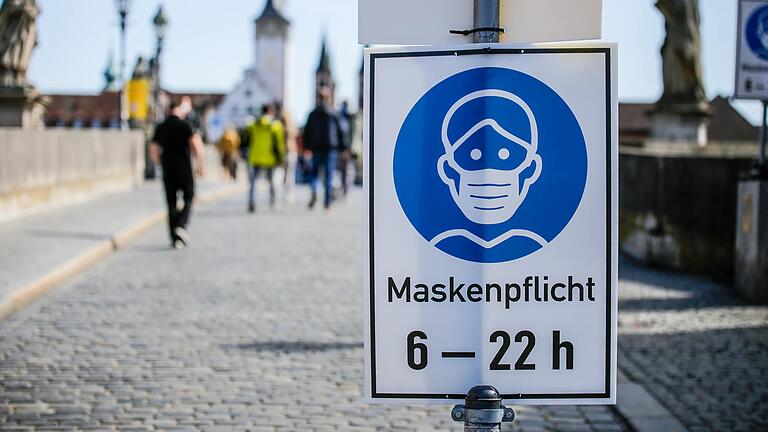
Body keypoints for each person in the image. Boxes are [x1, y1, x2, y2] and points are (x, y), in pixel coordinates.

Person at [150, 101, 205, 249]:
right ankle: (181, 225)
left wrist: (160, 163)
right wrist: (200, 165)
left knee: (171, 202)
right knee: (189, 196)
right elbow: (196, 145)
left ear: (168, 110)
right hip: (184, 168)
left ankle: (174, 238)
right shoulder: (186, 125)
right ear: (179, 111)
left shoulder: (161, 127)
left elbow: (154, 149)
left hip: (168, 169)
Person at [302, 87, 348, 210]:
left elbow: (306, 131)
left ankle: (315, 189)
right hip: (330, 148)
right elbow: (341, 131)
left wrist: (306, 147)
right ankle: (327, 204)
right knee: (328, 175)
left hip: (316, 147)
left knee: (314, 173)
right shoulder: (334, 113)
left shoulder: (312, 113)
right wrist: (344, 148)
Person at [246, 103, 285, 212]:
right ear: (271, 112)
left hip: (255, 156)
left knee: (253, 182)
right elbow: (279, 143)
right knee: (271, 181)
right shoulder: (275, 125)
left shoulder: (255, 123)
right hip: (269, 157)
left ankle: (251, 201)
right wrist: (280, 157)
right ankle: (273, 201)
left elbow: (246, 135)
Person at [336, 100, 354, 197]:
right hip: (347, 148)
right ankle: (345, 190)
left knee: (343, 171)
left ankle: (344, 189)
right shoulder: (350, 117)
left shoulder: (339, 116)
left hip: (341, 149)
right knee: (347, 171)